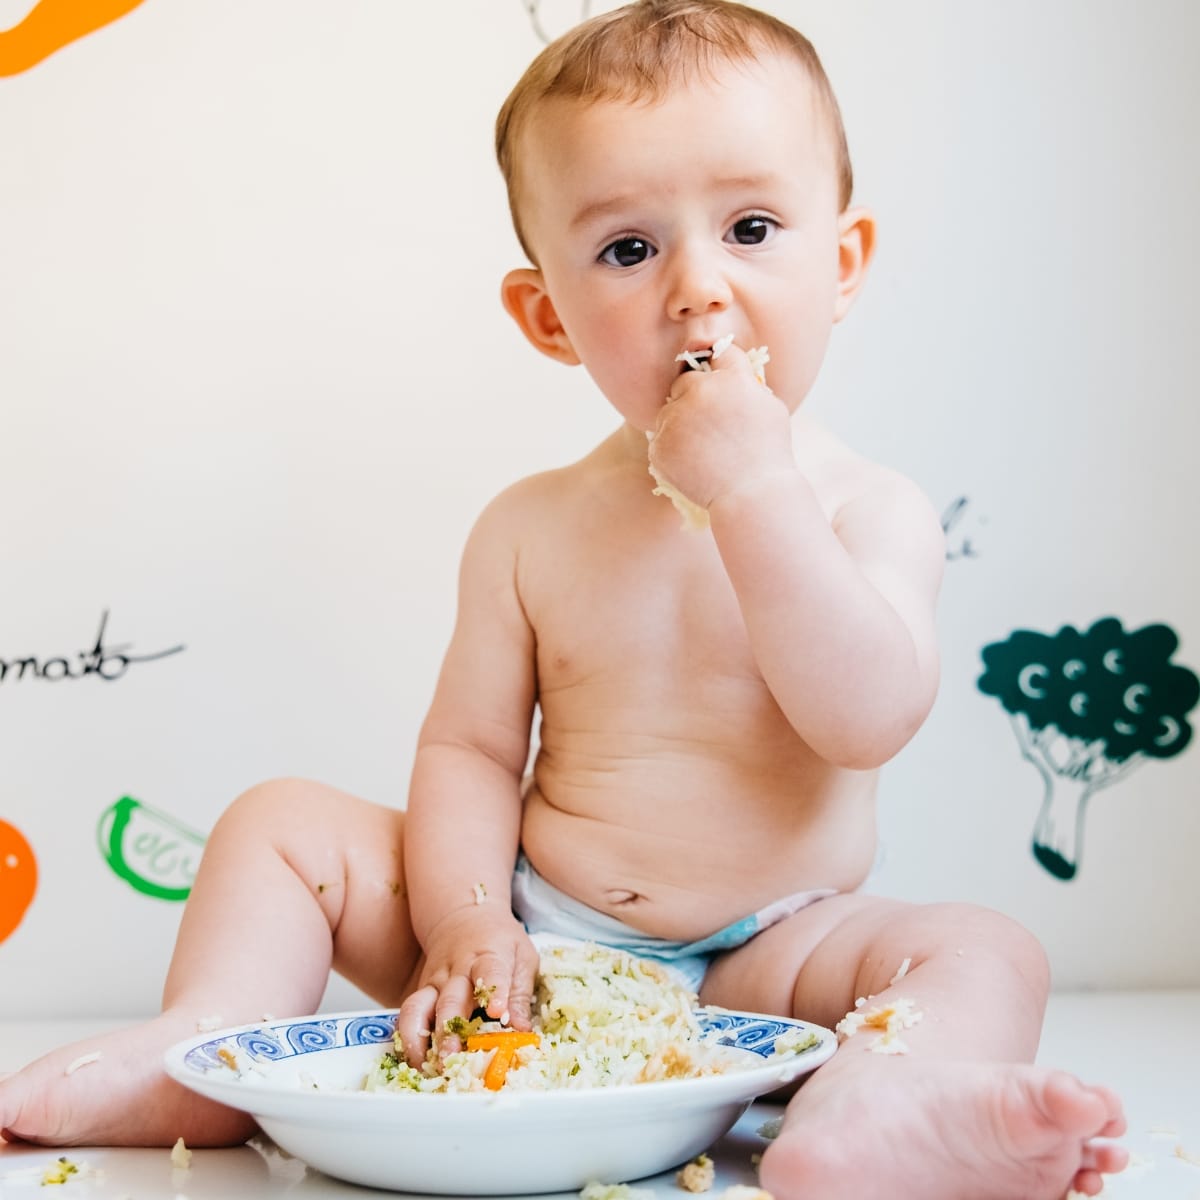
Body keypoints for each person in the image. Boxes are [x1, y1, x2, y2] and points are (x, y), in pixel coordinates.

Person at [0, 3, 1127, 1196]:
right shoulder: (530, 526)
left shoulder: (869, 511)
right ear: (550, 317)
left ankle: (874, 1108)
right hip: (532, 940)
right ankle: (206, 1048)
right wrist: (469, 918)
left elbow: (867, 718)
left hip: (769, 959)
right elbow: (474, 750)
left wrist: (756, 496)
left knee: (983, 951)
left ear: (839, 266)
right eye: (630, 250)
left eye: (751, 227)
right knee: (280, 825)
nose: (699, 288)